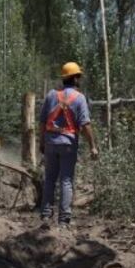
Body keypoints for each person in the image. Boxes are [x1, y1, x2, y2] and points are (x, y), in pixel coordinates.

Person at [39, 62, 99, 226]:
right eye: (79, 76)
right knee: (66, 180)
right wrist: (93, 145)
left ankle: (45, 216)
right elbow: (85, 124)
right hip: (68, 144)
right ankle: (64, 220)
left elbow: (43, 122)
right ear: (75, 78)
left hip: (51, 142)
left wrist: (41, 142)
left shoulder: (51, 95)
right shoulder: (79, 98)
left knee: (50, 179)